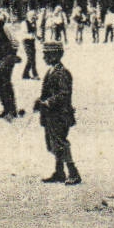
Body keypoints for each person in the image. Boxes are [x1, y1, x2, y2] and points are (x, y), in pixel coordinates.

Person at [32, 41, 80, 185]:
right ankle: (59, 172)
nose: (44, 58)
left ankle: (73, 173)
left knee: (60, 143)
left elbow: (64, 94)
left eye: (46, 55)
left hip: (60, 115)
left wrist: (47, 102)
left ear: (55, 55)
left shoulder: (62, 73)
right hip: (51, 115)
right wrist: (40, 101)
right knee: (53, 143)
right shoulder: (51, 71)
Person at [0, 8, 22, 120]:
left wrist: (10, 56)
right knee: (0, 83)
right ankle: (5, 108)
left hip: (7, 57)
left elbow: (15, 42)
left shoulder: (5, 27)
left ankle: (12, 110)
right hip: (0, 57)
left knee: (6, 83)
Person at [20, 10, 40, 81]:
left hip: (32, 42)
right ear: (29, 16)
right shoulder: (24, 23)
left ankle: (25, 74)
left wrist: (38, 37)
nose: (34, 17)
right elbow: (24, 33)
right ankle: (35, 74)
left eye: (35, 16)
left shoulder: (34, 23)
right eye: (33, 16)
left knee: (32, 58)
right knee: (31, 58)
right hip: (26, 42)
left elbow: (35, 32)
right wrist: (31, 35)